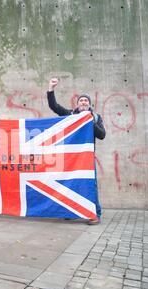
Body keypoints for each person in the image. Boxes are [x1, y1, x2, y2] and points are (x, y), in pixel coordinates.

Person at [47, 77, 106, 225]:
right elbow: (54, 106)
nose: (83, 103)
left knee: (90, 185)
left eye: (86, 101)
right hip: (71, 158)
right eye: (81, 101)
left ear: (89, 104)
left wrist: (90, 121)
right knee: (71, 183)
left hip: (86, 158)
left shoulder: (96, 118)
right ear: (78, 104)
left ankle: (95, 214)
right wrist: (50, 88)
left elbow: (102, 135)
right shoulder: (71, 116)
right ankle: (73, 211)